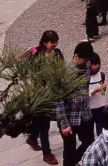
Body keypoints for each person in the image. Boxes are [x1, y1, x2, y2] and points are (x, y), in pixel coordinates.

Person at [26, 30, 64, 164]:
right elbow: (28, 72)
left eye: (55, 42)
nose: (54, 44)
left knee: (44, 121)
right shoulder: (36, 55)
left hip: (55, 91)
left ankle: (32, 137)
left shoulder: (58, 53)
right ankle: (47, 153)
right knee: (44, 124)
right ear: (44, 42)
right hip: (41, 94)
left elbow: (62, 69)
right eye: (51, 42)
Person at [57, 41, 95, 166]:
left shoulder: (87, 64)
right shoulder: (65, 73)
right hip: (70, 117)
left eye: (88, 60)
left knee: (90, 143)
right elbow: (59, 100)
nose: (86, 62)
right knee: (69, 149)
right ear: (76, 56)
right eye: (84, 59)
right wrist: (64, 124)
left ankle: (73, 162)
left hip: (85, 113)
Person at [88, 54, 107, 137]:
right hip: (89, 108)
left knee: (101, 132)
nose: (95, 66)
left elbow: (103, 93)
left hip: (101, 107)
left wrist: (103, 89)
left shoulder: (101, 75)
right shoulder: (85, 77)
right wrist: (94, 91)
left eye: (97, 64)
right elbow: (82, 94)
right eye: (93, 64)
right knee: (89, 135)